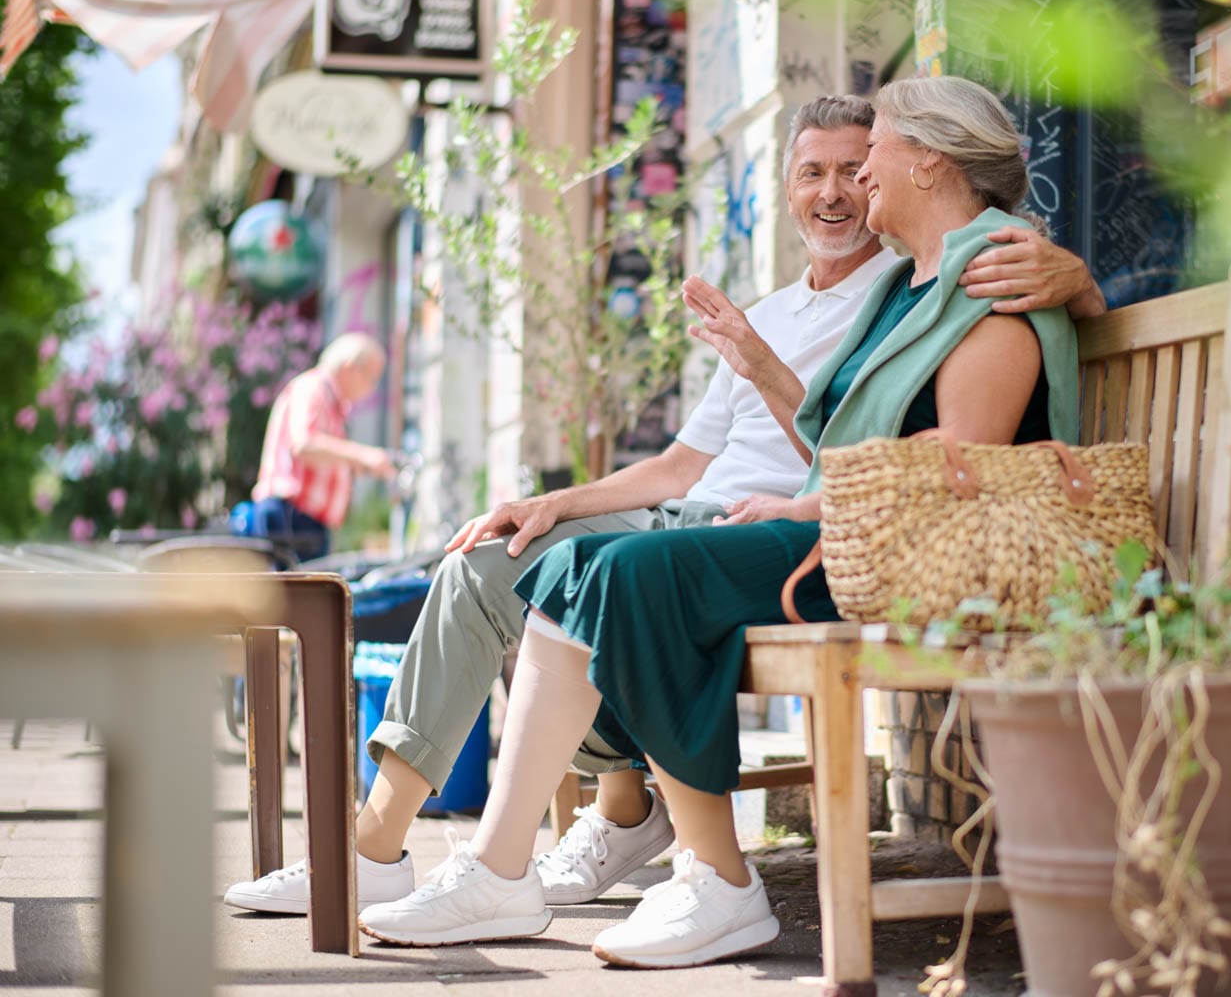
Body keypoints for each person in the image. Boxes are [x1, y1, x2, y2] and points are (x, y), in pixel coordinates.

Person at [224, 95, 1101, 917]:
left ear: (917, 166)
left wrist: (1080, 283)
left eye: (858, 162)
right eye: (815, 172)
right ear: (789, 186)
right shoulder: (826, 301)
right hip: (719, 513)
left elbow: (875, 446)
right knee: (486, 560)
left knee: (592, 577)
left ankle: (626, 825)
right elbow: (682, 464)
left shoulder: (914, 290)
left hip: (795, 531)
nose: (843, 187)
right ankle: (379, 847)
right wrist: (549, 499)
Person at [241, 332, 394, 561]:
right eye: (371, 379)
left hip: (304, 521)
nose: (371, 389)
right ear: (350, 367)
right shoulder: (311, 388)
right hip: (291, 517)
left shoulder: (332, 402)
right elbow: (304, 443)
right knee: (295, 596)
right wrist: (362, 456)